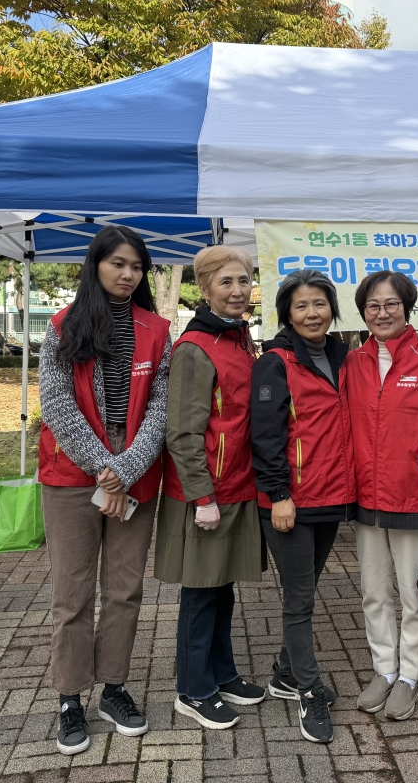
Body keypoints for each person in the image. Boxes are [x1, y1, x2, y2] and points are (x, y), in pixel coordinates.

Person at [37, 225, 171, 755]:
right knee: (71, 595)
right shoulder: (63, 326)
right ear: (95, 265)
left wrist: (128, 467)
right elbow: (57, 403)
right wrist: (104, 467)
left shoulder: (158, 330)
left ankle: (114, 688)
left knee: (125, 590)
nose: (127, 274)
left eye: (136, 266)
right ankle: (70, 697)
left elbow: (160, 406)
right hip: (74, 473)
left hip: (135, 471)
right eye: (117, 263)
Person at [346, 271, 418, 721]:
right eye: (373, 305)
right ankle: (384, 669)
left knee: (414, 595)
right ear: (363, 312)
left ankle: (412, 674)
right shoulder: (351, 363)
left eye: (391, 303)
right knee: (373, 592)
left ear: (407, 307)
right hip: (366, 497)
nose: (382, 312)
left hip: (416, 495)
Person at [157, 246, 265, 730]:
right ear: (204, 289)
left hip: (239, 484)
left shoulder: (239, 339)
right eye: (227, 282)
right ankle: (192, 689)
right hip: (206, 493)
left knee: (223, 590)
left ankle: (222, 674)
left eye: (243, 280)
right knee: (201, 594)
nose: (238, 291)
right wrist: (202, 497)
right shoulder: (195, 348)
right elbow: (182, 431)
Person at [251, 269, 356, 744]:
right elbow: (266, 435)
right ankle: (310, 690)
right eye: (301, 305)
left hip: (331, 495)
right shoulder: (274, 361)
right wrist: (278, 496)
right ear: (286, 314)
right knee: (300, 599)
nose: (312, 313)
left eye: (319, 303)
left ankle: (284, 673)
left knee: (307, 587)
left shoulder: (342, 354)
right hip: (289, 501)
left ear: (332, 308)